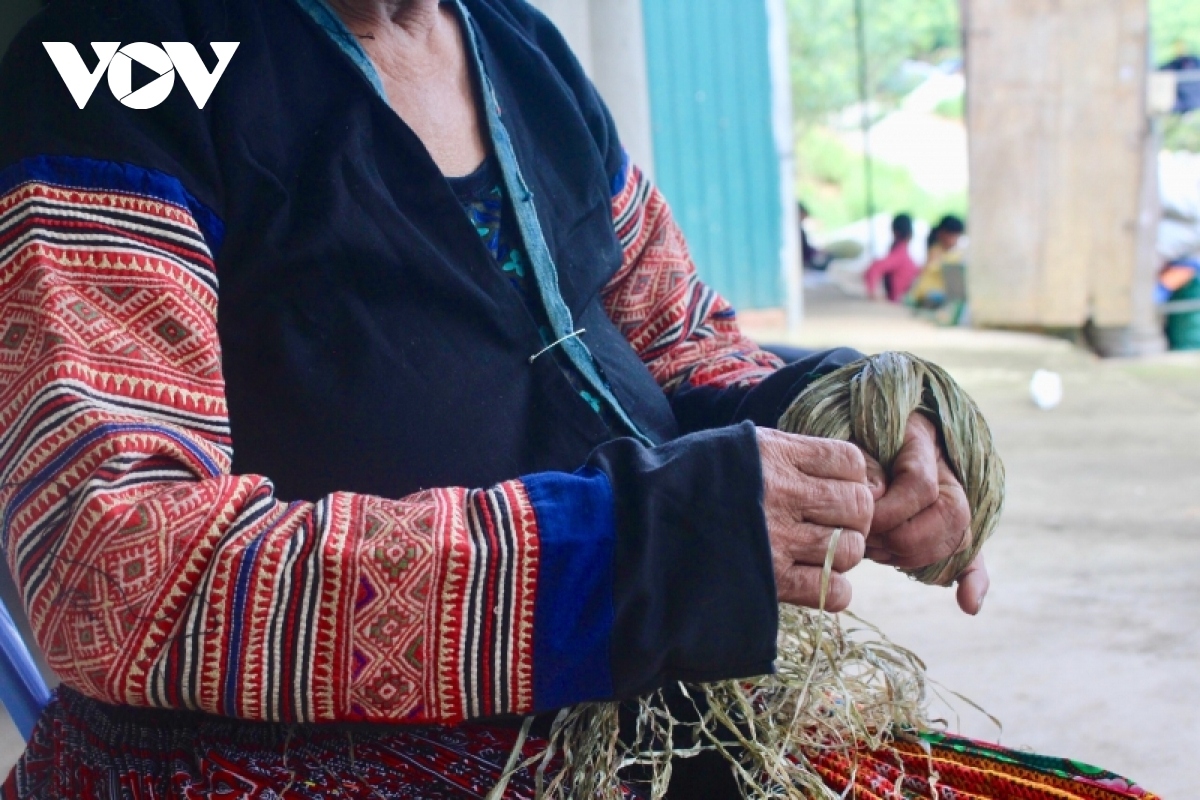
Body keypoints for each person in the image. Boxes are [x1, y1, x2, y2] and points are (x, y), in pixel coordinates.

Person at [0, 1, 1153, 798]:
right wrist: (636, 546)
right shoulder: (118, 62)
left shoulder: (513, 46)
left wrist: (860, 432)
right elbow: (116, 572)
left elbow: (677, 340)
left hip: (634, 729)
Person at [909, 214, 966, 309]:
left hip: (939, 296)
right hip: (923, 294)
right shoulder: (935, 251)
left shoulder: (957, 256)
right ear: (941, 233)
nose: (953, 239)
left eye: (956, 236)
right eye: (951, 235)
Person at [862, 213, 919, 303]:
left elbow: (873, 268)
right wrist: (872, 293)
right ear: (911, 234)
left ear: (894, 231)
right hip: (897, 302)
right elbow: (874, 269)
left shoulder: (902, 254)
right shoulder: (901, 255)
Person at [797, 202, 832, 271]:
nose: (803, 220)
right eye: (803, 216)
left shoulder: (799, 230)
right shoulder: (795, 232)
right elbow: (804, 252)